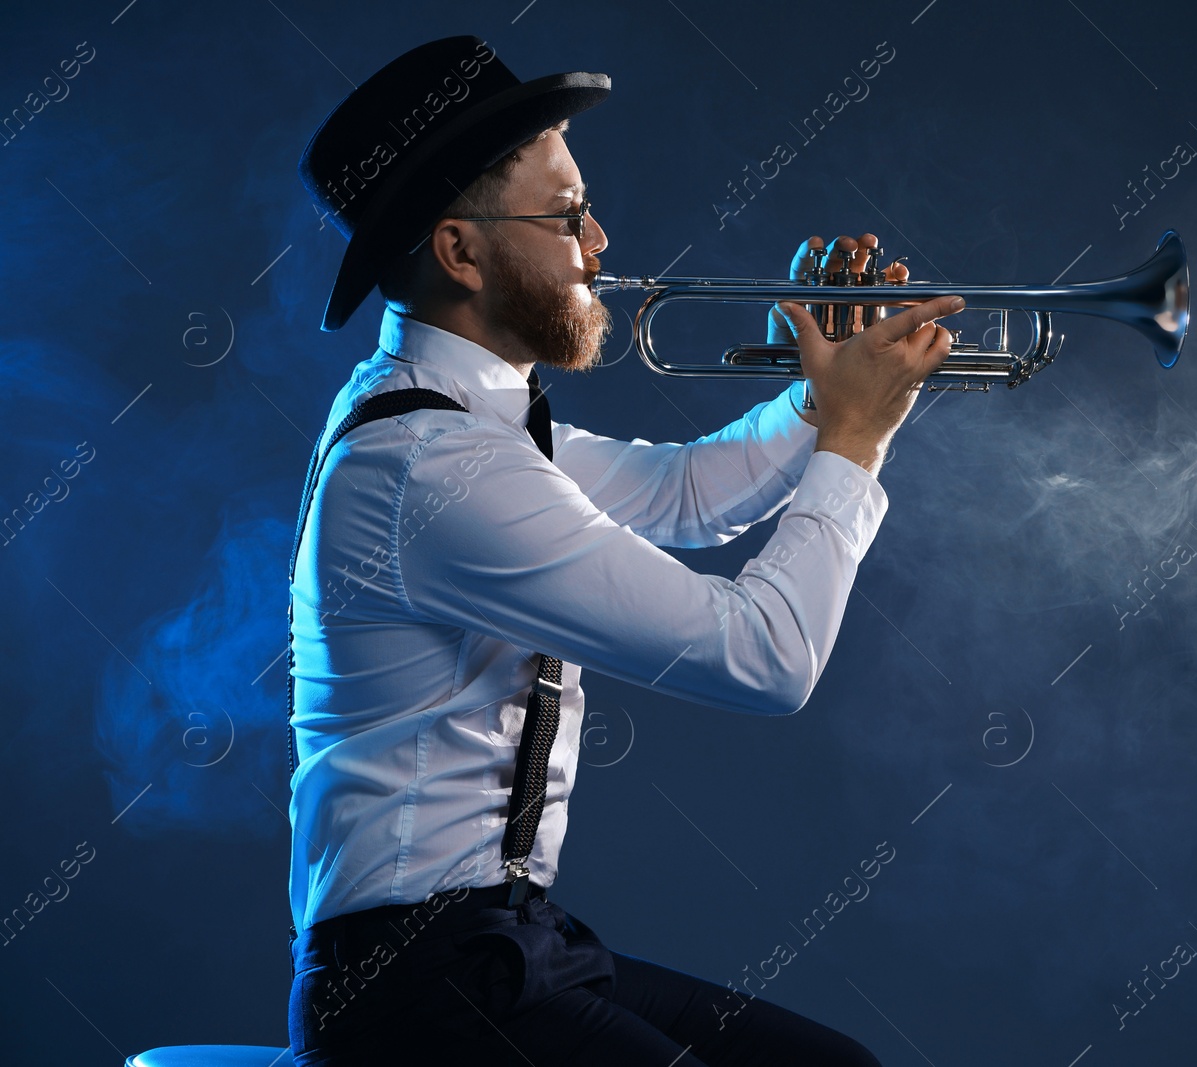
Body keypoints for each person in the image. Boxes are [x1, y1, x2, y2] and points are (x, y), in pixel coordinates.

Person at [288, 35, 960, 1066]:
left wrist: (830, 390)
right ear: (461, 251)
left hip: (508, 942)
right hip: (415, 988)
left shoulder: (473, 426)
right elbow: (764, 657)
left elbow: (687, 493)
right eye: (563, 217)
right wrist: (852, 439)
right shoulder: (435, 468)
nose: (598, 240)